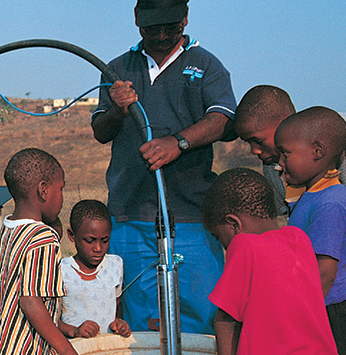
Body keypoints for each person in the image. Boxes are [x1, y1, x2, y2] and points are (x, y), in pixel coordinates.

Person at [234, 85, 346, 355]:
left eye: (258, 140)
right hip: (326, 215)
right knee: (341, 294)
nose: (254, 151)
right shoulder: (277, 167)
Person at [90, 0, 235, 334]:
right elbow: (101, 130)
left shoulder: (207, 65)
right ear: (137, 20)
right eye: (152, 27)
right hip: (130, 217)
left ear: (185, 18)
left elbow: (223, 119)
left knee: (201, 321)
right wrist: (118, 110)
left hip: (191, 218)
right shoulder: (117, 69)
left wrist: (178, 143)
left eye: (170, 26)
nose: (161, 34)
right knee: (138, 324)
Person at [204, 168, 337, 355]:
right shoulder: (299, 239)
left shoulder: (244, 245)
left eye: (218, 236)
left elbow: (226, 318)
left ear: (234, 224)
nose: (223, 245)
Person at [275, 107, 346, 354]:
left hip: (332, 316)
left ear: (317, 151)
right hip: (319, 309)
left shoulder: (329, 202)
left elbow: (325, 272)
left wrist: (297, 317)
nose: (279, 163)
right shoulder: (311, 195)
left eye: (286, 154)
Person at [0, 148, 77, 355]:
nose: (62, 197)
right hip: (22, 348)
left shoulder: (9, 227)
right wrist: (65, 348)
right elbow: (30, 300)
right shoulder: (43, 237)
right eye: (61, 189)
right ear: (44, 190)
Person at [58, 200, 131, 339]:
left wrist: (119, 324)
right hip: (74, 348)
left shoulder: (115, 265)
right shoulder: (62, 271)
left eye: (104, 240)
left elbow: (116, 304)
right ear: (72, 235)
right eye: (90, 240)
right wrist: (74, 331)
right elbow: (49, 319)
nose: (98, 248)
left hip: (108, 348)